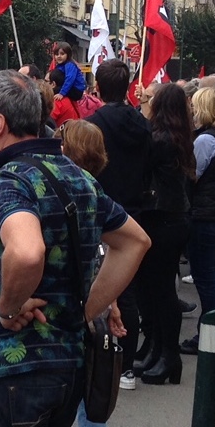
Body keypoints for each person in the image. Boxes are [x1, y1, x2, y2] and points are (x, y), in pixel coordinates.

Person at [0, 71, 149, 427]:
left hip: (11, 371)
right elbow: (133, 242)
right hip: (67, 367)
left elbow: (26, 251)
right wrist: (85, 309)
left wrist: (8, 307)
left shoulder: (6, 181)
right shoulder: (76, 175)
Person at [85, 59, 153, 389]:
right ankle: (126, 365)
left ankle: (101, 358)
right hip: (135, 209)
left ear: (97, 86)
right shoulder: (142, 123)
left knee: (99, 284)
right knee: (128, 289)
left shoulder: (93, 123)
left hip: (102, 208)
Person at [57, 117, 116, 427]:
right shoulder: (96, 189)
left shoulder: (75, 189)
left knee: (60, 395)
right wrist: (110, 303)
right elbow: (112, 251)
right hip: (93, 302)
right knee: (89, 392)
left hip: (73, 303)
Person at [131, 83, 194, 386]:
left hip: (163, 218)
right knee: (155, 289)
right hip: (168, 217)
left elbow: (141, 163)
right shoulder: (177, 136)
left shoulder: (161, 140)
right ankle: (158, 349)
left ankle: (168, 354)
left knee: (162, 292)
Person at [179, 88, 215, 355]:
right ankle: (212, 330)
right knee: (206, 275)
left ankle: (209, 333)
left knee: (205, 277)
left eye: (195, 105)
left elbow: (192, 175)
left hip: (203, 214)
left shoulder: (206, 140)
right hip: (213, 212)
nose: (192, 109)